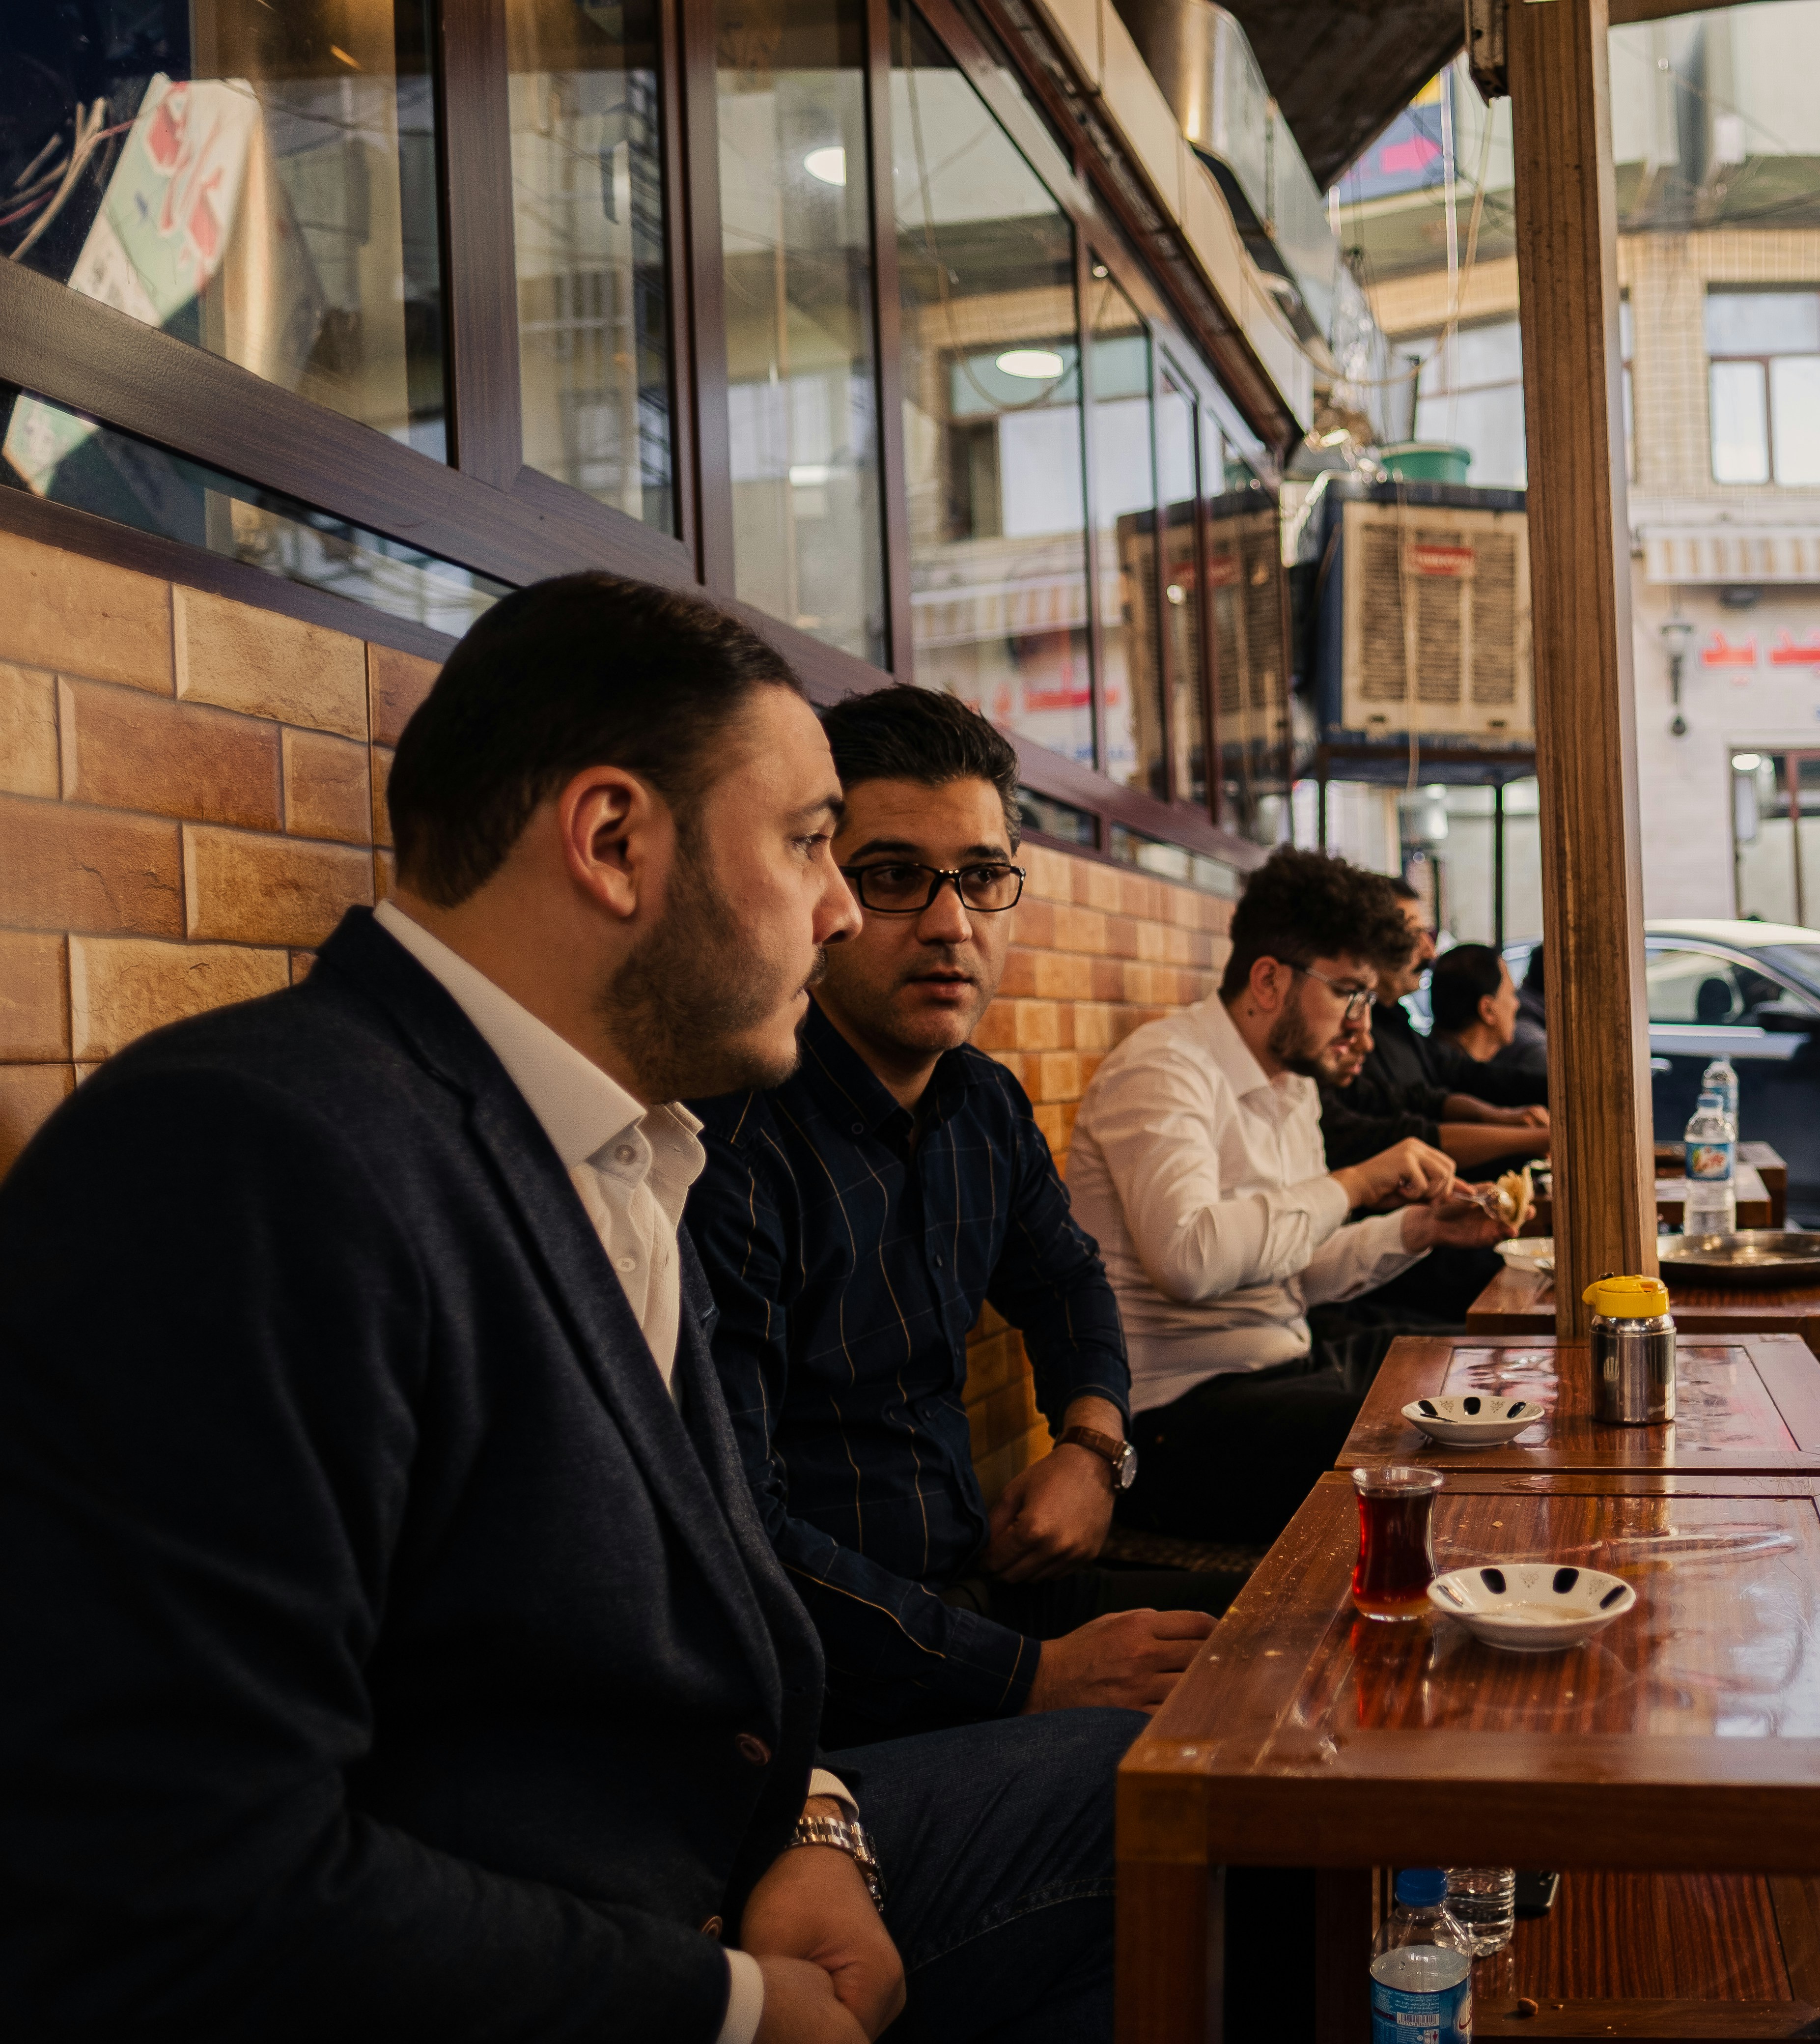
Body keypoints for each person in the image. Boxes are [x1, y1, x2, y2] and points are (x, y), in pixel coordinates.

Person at [0, 572, 1133, 2044]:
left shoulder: (621, 1144)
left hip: (722, 1864)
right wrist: (731, 2003)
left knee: (1216, 1796)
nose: (845, 906)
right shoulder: (247, 1151)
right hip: (575, 1957)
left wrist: (807, 1829)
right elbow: (168, 1873)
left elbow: (707, 1636)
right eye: (810, 844)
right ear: (612, 842)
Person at [686, 685, 1228, 1752]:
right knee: (1223, 1772)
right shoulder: (730, 1144)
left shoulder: (979, 1100)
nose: (950, 924)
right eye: (895, 877)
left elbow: (1066, 1281)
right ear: (822, 889)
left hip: (980, 1589)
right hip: (837, 1686)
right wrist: (1034, 1675)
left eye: (981, 878)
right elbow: (734, 1530)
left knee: (1292, 1645)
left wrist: (1092, 1443)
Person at [1065, 849, 1518, 1546]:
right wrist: (1358, 1182)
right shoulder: (1163, 1068)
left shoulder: (1292, 1087)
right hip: (1175, 1423)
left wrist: (1418, 1229)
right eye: (1347, 993)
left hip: (1284, 1372)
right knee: (1424, 1449)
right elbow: (1188, 1259)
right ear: (1271, 980)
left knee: (1483, 1381)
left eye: (1368, 998)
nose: (1362, 1024)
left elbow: (1299, 1275)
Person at [1319, 878, 1550, 1172]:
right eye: (1414, 935)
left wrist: (1506, 1116)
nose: (1429, 952)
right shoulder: (1349, 1040)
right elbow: (1382, 1135)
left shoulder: (1392, 1018)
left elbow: (1425, 1096)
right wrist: (1527, 1138)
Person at [1430, 941, 1546, 1095]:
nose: (1517, 1004)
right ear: (1488, 1010)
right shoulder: (1462, 1093)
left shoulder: (1431, 1065)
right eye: (1511, 994)